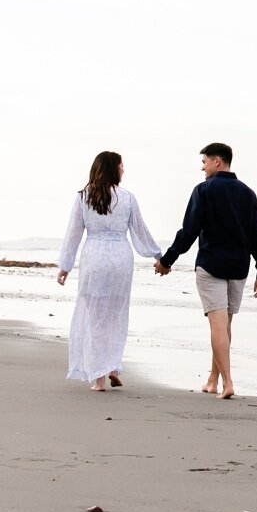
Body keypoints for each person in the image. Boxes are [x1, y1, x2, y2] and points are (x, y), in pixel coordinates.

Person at [154, 142, 257, 399]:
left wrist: (167, 260)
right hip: (239, 267)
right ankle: (212, 380)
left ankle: (228, 382)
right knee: (225, 326)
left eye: (204, 162)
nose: (203, 168)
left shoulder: (204, 190)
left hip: (211, 266)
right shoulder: (248, 194)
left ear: (218, 161)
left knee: (217, 326)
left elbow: (189, 231)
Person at [57, 151, 164, 392]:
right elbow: (140, 231)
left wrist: (65, 266)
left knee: (94, 316)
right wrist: (158, 255)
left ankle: (100, 378)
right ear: (112, 169)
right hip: (120, 260)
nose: (124, 170)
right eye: (121, 166)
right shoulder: (127, 198)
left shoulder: (84, 197)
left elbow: (73, 234)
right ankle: (112, 366)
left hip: (94, 258)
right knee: (115, 314)